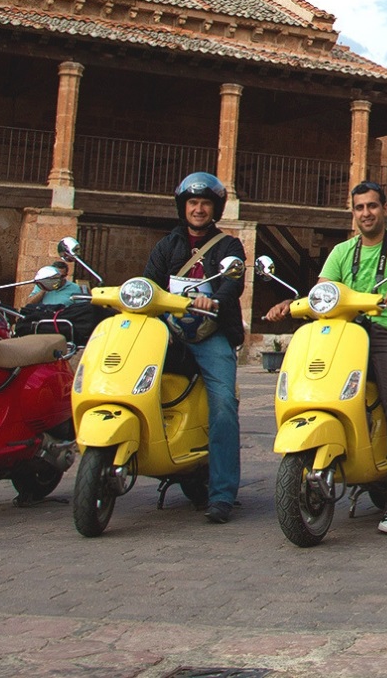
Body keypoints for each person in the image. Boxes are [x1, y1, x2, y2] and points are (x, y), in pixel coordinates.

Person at [263, 181, 387, 535]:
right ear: (352, 213)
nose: (366, 213)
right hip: (345, 331)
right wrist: (289, 306)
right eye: (359, 208)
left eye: (372, 206)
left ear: (384, 208)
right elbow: (322, 293)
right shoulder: (341, 251)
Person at [142, 172, 247, 525]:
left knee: (222, 405)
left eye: (204, 203)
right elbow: (151, 283)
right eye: (192, 203)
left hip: (211, 333)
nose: (198, 209)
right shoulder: (167, 245)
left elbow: (233, 282)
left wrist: (214, 300)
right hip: (170, 332)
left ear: (214, 208)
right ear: (183, 207)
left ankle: (221, 494)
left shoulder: (228, 246)